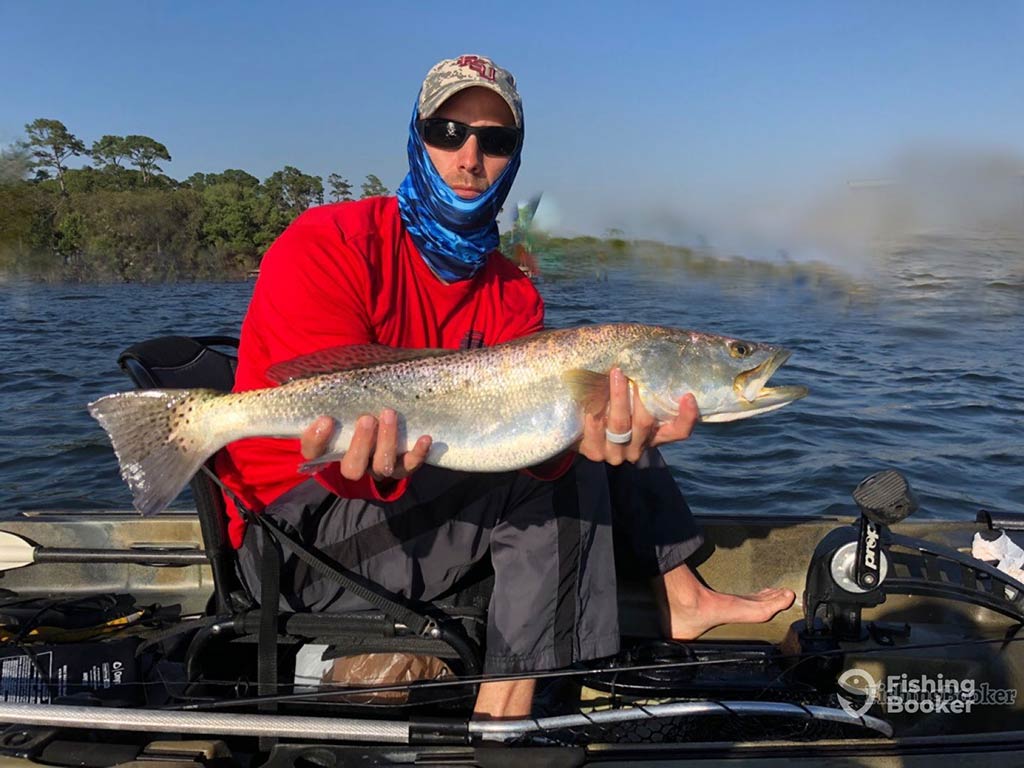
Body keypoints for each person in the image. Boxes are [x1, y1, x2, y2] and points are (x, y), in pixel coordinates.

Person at [217, 54, 794, 720]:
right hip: (295, 542)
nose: (470, 157)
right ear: (417, 135)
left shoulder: (512, 289)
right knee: (556, 475)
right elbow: (322, 417)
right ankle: (506, 725)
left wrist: (589, 437)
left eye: (496, 141)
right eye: (448, 131)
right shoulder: (326, 242)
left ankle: (677, 593)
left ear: (514, 157)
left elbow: (530, 439)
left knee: (581, 432)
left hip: (414, 513)